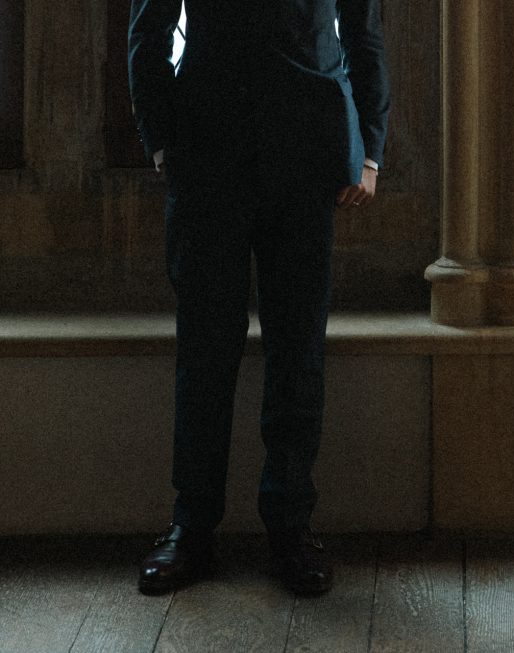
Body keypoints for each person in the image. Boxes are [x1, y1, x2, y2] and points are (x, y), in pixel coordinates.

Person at [128, 0, 389, 596]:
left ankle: (291, 529)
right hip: (207, 153)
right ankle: (190, 528)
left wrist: (369, 147)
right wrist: (162, 138)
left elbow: (363, 31)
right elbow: (149, 28)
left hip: (308, 153)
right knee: (205, 350)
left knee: (298, 350)